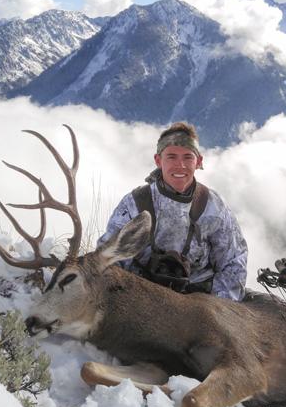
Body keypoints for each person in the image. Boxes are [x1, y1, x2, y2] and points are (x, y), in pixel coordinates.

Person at [96, 122, 248, 301]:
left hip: (199, 303)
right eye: (171, 157)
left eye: (188, 157)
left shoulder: (214, 206)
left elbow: (234, 261)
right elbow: (109, 257)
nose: (180, 165)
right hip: (141, 298)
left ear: (198, 162)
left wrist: (218, 306)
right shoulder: (135, 203)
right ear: (158, 160)